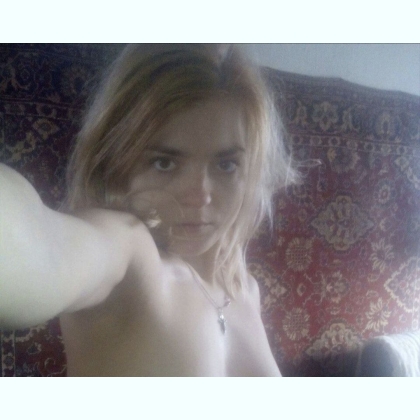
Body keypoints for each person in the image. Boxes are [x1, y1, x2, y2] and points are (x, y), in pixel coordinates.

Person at [0, 44, 298, 376]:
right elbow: (42, 246)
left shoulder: (247, 291)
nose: (200, 197)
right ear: (116, 165)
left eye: (226, 165)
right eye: (164, 163)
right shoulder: (131, 258)